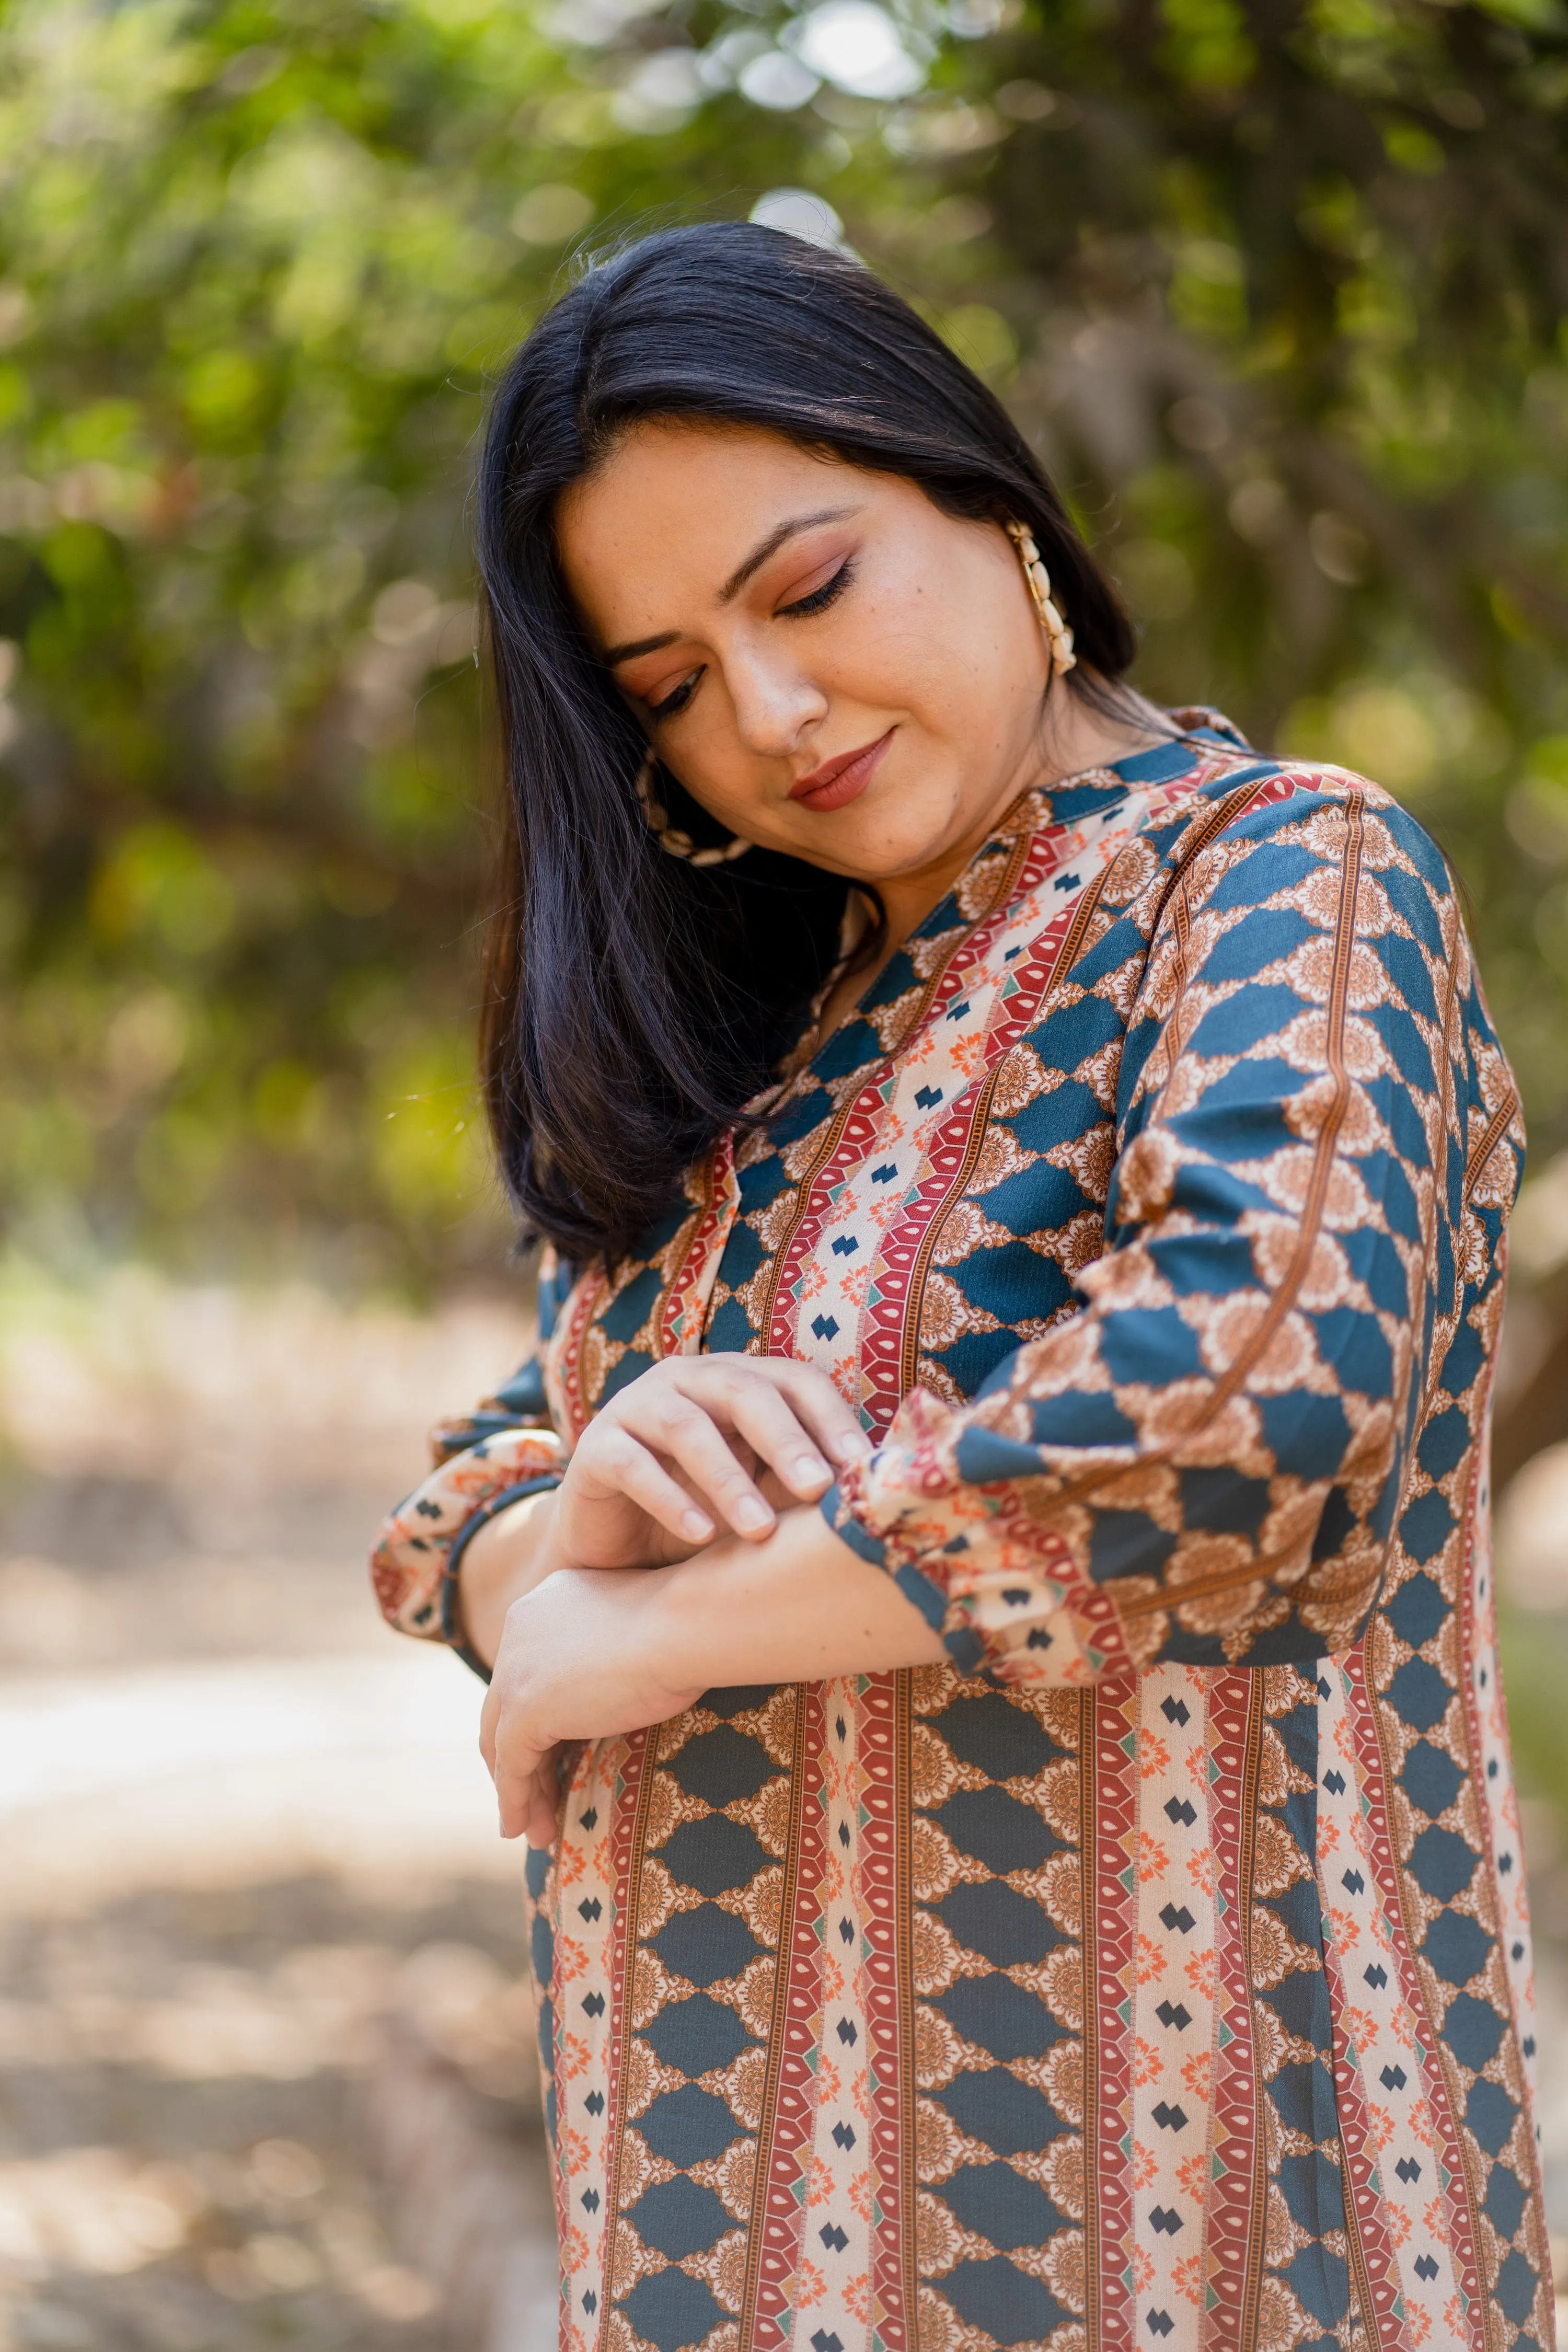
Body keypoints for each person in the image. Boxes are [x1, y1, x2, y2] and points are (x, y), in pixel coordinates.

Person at [371, 222, 1548, 2352]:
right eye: (669, 690)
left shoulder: (1273, 868)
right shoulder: (755, 1035)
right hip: (720, 2236)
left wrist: (658, 1633)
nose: (773, 712)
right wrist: (570, 1530)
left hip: (1194, 2231)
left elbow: (1247, 1398)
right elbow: (479, 1478)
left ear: (989, 500)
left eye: (806, 587)